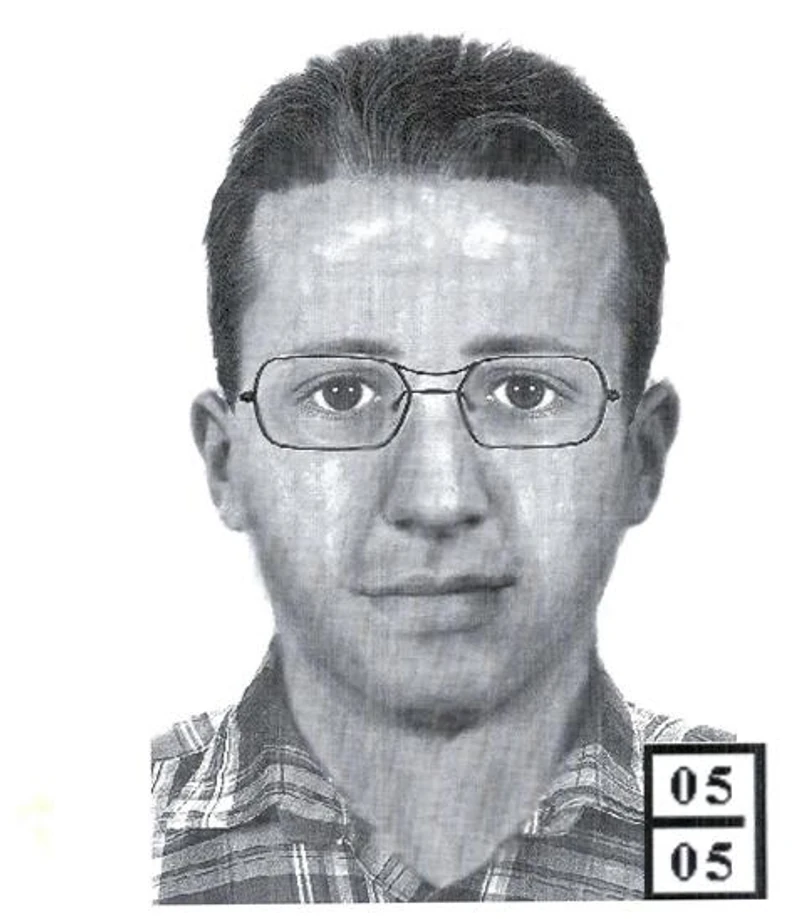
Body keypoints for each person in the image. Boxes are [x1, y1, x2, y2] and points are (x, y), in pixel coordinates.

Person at [151, 35, 733, 903]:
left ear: (639, 456)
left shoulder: (752, 826)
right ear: (225, 460)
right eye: (341, 392)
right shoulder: (78, 834)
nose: (437, 497)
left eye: (525, 391)